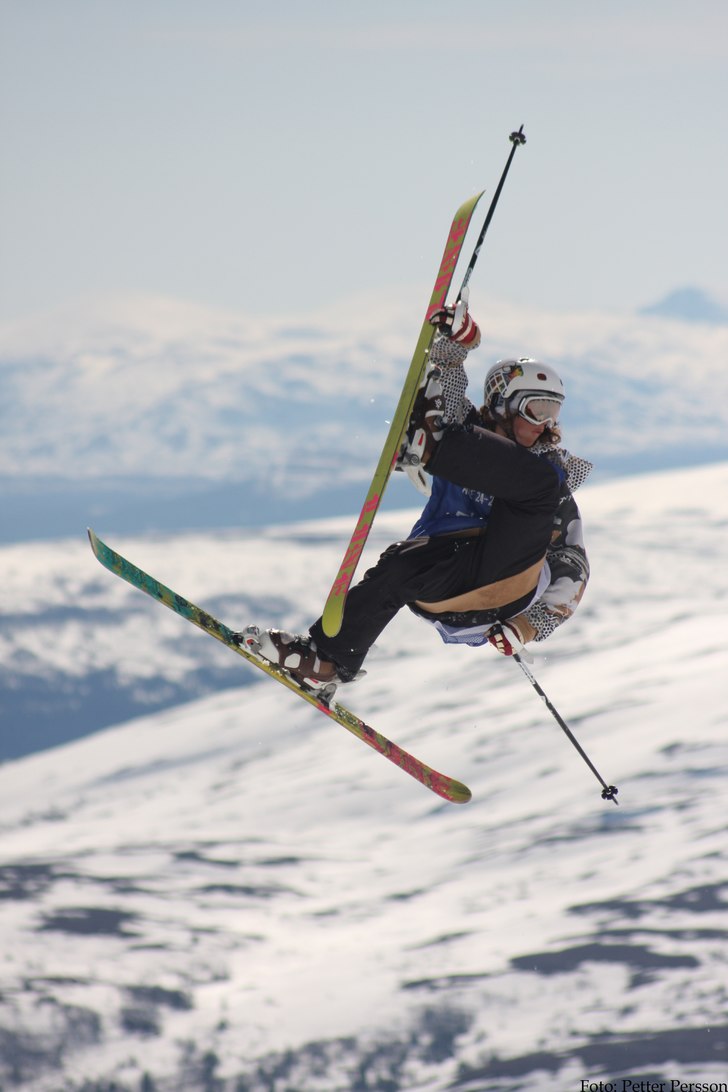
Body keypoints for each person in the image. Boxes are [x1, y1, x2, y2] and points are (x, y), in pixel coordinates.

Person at [243, 303, 592, 691]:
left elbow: (573, 562)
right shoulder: (466, 429)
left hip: (507, 580)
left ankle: (430, 448)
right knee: (398, 565)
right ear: (502, 404)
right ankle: (328, 661)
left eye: (553, 412)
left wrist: (528, 626)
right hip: (451, 584)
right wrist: (458, 346)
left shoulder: (548, 476)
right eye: (537, 409)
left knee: (542, 482)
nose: (546, 424)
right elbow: (447, 401)